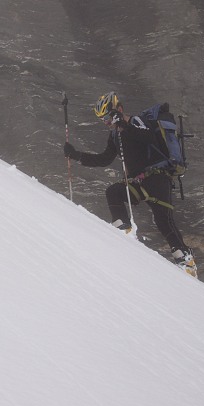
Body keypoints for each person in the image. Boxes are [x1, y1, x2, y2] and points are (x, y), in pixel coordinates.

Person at [64, 91, 196, 273]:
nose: (107, 123)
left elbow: (148, 137)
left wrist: (125, 125)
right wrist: (76, 155)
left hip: (157, 177)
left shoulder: (136, 121)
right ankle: (123, 232)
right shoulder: (114, 136)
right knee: (113, 192)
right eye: (103, 120)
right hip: (138, 181)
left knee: (163, 220)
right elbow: (104, 159)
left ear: (119, 109)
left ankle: (186, 259)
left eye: (109, 117)